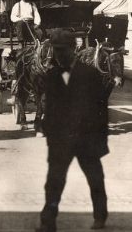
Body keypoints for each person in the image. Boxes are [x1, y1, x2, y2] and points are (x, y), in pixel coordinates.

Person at [37, 28, 110, 232]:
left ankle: (100, 216)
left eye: (62, 51)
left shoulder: (90, 74)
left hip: (86, 139)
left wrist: (101, 141)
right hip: (60, 140)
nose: (58, 55)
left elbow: (101, 110)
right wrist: (50, 136)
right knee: (53, 182)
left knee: (95, 179)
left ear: (73, 49)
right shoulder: (52, 75)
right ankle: (48, 221)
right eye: (55, 51)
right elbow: (49, 108)